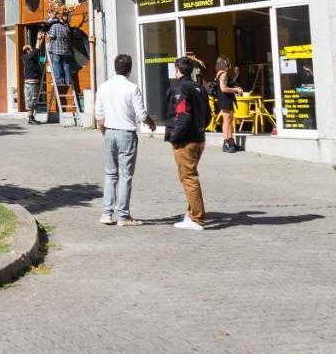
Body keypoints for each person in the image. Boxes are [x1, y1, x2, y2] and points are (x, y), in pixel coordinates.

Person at [95, 53, 156, 226]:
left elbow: (99, 117)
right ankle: (123, 215)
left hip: (109, 132)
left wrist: (105, 133)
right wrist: (151, 124)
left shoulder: (104, 87)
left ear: (115, 68)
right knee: (125, 175)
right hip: (127, 134)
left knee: (110, 173)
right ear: (130, 69)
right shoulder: (132, 88)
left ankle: (106, 213)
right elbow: (141, 114)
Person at [165, 56, 210, 231]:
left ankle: (197, 218)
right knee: (190, 175)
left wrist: (175, 137)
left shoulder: (179, 88)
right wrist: (200, 129)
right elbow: (208, 115)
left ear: (177, 70)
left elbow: (183, 115)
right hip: (199, 138)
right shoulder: (199, 87)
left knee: (188, 177)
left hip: (185, 140)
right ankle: (191, 212)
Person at [45, 8, 80, 113]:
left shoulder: (55, 26)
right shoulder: (66, 27)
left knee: (56, 64)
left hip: (56, 49)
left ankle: (59, 80)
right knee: (66, 65)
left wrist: (47, 37)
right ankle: (68, 80)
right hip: (66, 50)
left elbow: (51, 36)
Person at [212, 56, 243, 153]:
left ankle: (230, 140)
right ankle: (226, 142)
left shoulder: (220, 73)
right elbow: (224, 88)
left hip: (225, 98)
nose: (229, 65)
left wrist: (236, 74)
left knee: (229, 120)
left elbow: (229, 83)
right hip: (224, 99)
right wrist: (236, 89)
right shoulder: (223, 74)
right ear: (225, 64)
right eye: (228, 63)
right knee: (226, 120)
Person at [20, 32, 44, 124]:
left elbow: (37, 49)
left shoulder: (27, 57)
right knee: (31, 100)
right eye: (29, 49)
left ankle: (32, 118)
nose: (31, 49)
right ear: (27, 51)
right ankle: (30, 118)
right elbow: (37, 49)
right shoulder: (28, 57)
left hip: (32, 82)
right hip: (31, 83)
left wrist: (41, 40)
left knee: (33, 100)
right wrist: (38, 39)